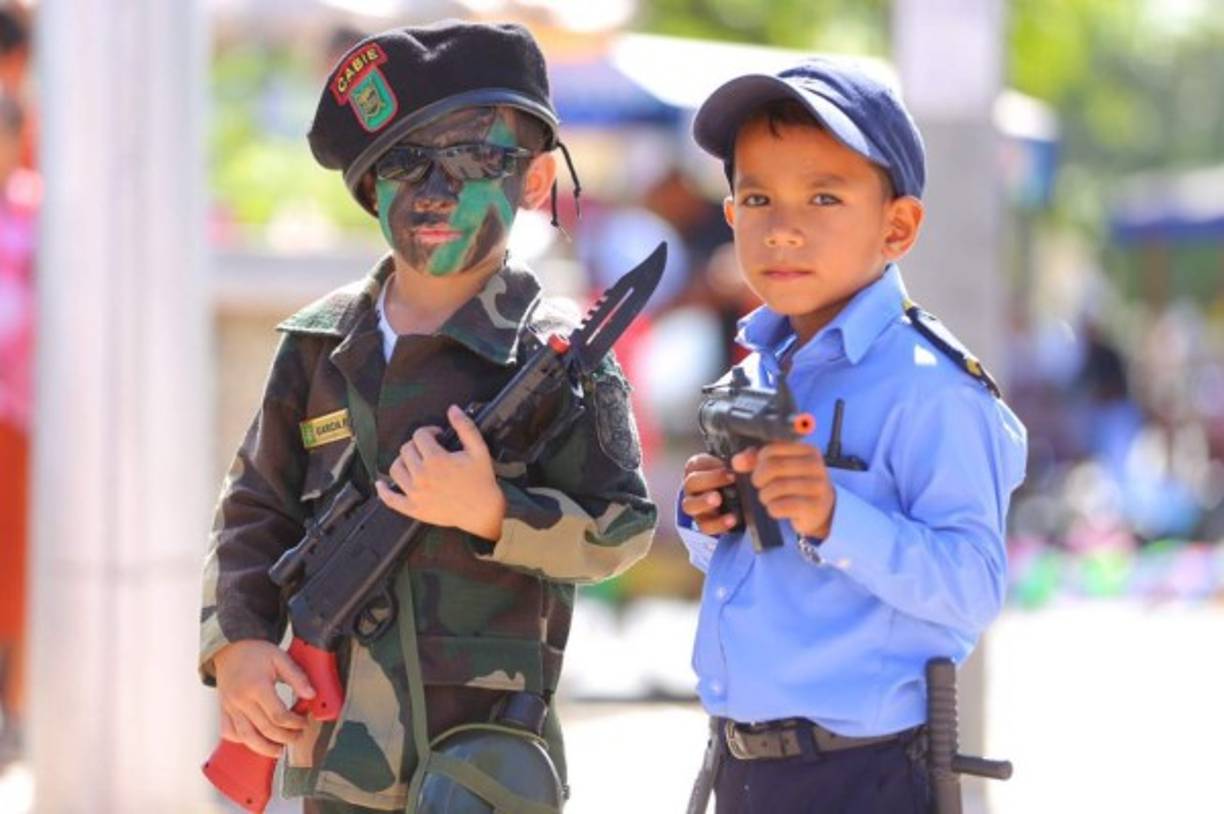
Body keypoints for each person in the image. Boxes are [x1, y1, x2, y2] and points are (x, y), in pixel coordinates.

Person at [198, 21, 657, 813]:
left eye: (479, 159)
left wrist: (491, 511)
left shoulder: (554, 354)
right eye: (406, 163)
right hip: (342, 759)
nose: (438, 192)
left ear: (538, 181)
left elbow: (623, 530)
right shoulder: (319, 346)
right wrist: (236, 643)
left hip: (482, 761)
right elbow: (254, 509)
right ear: (370, 185)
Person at [676, 59, 1027, 813]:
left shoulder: (930, 390)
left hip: (861, 777)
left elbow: (972, 585)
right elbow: (749, 568)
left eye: (825, 196)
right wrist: (707, 519)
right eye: (759, 197)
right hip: (743, 765)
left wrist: (836, 517)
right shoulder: (756, 373)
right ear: (731, 215)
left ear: (896, 225)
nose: (785, 227)